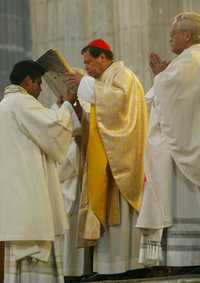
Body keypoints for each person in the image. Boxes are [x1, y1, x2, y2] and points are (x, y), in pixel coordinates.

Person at [66, 39, 148, 274]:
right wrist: (77, 106)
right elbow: (96, 122)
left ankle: (129, 265)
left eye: (89, 62)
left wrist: (86, 83)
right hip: (105, 157)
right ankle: (107, 267)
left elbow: (117, 106)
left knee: (123, 217)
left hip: (121, 157)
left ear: (103, 57)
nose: (87, 67)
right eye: (85, 64)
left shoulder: (123, 75)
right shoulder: (103, 81)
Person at [0, 60, 75, 282]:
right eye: (38, 82)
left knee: (19, 258)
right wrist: (68, 106)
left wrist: (57, 108)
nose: (41, 88)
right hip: (29, 193)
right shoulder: (21, 102)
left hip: (14, 197)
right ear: (27, 81)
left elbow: (39, 127)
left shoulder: (6, 105)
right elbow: (54, 129)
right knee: (35, 247)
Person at [136, 12, 200, 267]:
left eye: (173, 34)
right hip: (191, 141)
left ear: (187, 35)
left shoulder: (188, 61)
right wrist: (162, 75)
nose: (170, 39)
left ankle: (184, 259)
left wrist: (159, 76)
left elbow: (163, 94)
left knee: (182, 202)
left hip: (181, 154)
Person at [51, 94, 91, 278]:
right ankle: (69, 271)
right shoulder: (56, 115)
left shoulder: (80, 112)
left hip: (76, 186)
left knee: (73, 229)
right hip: (65, 187)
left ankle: (74, 271)